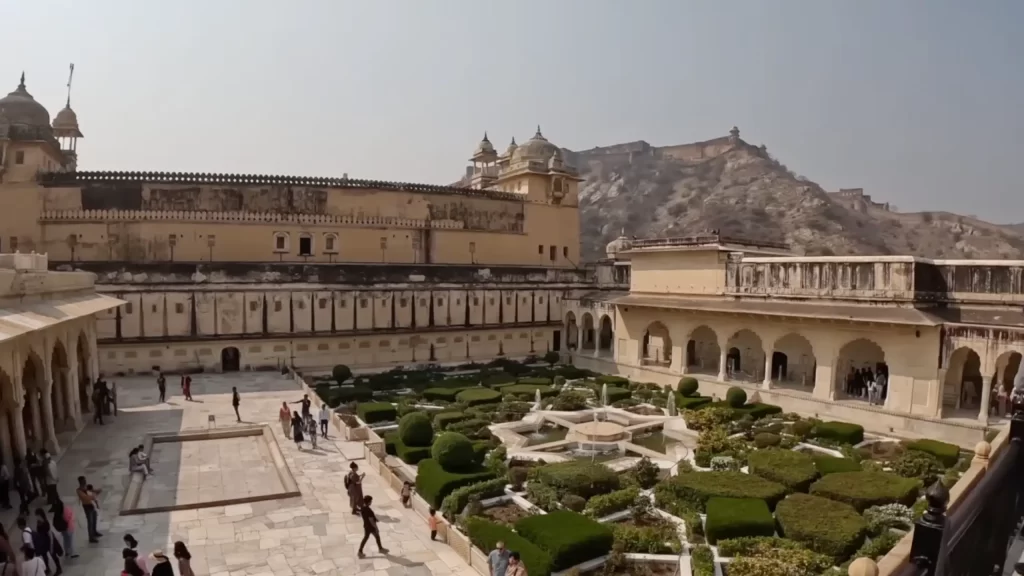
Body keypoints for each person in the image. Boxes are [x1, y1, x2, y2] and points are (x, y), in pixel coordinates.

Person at [33, 507, 61, 576]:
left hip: (49, 541)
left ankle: (59, 568)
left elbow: (50, 535)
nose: (36, 517)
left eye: (37, 515)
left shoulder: (46, 523)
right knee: (44, 555)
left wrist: (51, 546)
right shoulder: (38, 523)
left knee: (53, 555)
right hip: (43, 542)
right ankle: (47, 568)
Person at [76, 476, 101, 542]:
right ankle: (91, 537)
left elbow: (93, 491)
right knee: (90, 521)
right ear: (80, 482)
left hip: (92, 505)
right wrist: (93, 496)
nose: (85, 482)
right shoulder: (79, 490)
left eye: (85, 480)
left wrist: (97, 491)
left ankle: (94, 532)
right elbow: (85, 498)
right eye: (83, 481)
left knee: (94, 519)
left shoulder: (86, 487)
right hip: (87, 506)